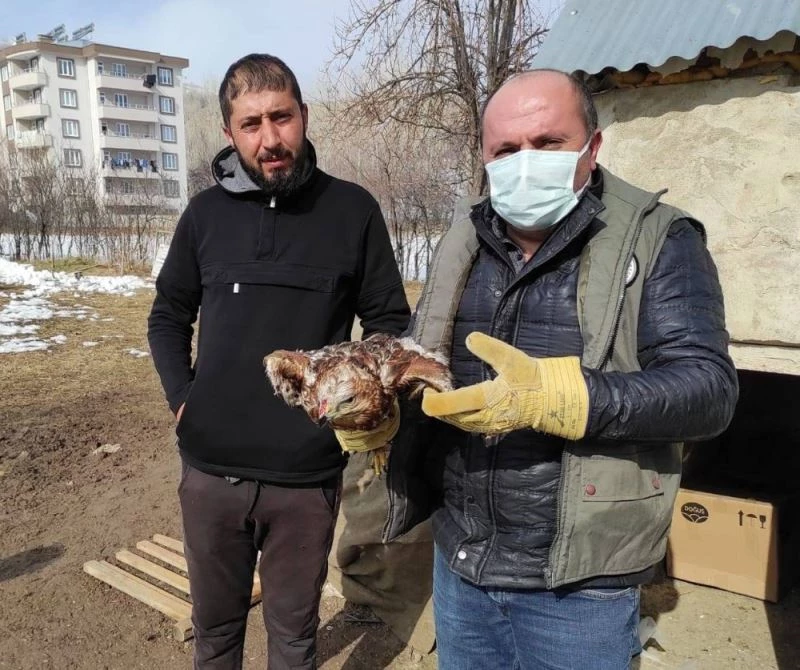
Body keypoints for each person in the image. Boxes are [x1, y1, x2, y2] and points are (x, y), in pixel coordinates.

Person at [377, 69, 739, 669]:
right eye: (506, 150)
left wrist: (567, 399)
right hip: (462, 563)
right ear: (485, 158)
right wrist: (379, 415)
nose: (525, 163)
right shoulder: (463, 237)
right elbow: (427, 363)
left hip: (579, 586)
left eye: (548, 144)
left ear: (592, 147)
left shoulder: (658, 238)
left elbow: (709, 390)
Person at [147, 53, 410, 670]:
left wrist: (366, 396)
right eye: (251, 124)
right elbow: (167, 316)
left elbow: (389, 324)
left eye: (282, 118)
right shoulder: (205, 216)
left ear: (304, 116)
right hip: (210, 475)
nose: (270, 139)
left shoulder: (353, 211)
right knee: (215, 634)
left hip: (306, 478)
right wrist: (184, 400)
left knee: (293, 641)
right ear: (230, 132)